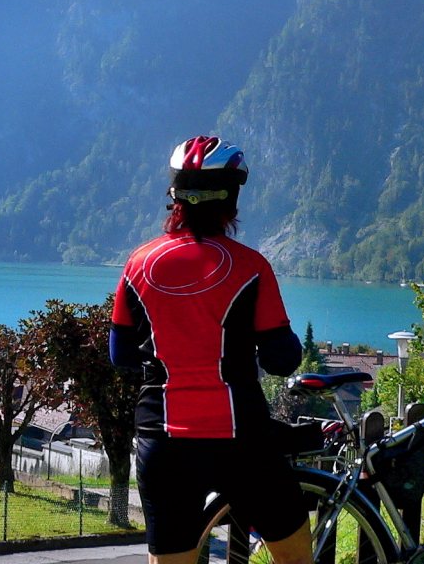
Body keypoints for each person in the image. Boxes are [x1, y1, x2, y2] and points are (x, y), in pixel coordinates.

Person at [110, 135, 309, 564]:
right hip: (242, 440)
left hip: (163, 439)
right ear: (231, 199)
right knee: (294, 556)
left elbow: (120, 354)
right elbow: (282, 359)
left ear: (175, 198)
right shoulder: (251, 267)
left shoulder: (137, 263)